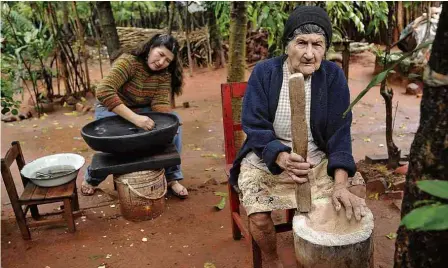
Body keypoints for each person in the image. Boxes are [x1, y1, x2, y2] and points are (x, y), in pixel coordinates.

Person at [228, 6, 367, 268]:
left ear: (325, 49)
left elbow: (340, 131)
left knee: (354, 191)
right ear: (287, 45)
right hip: (267, 157)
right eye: (301, 42)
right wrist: (279, 155)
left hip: (317, 159)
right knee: (258, 216)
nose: (309, 53)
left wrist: (340, 185)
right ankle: (271, 260)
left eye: (318, 44)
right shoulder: (265, 73)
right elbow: (253, 124)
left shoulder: (333, 76)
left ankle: (326, 251)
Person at [81, 34, 188, 199]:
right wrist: (135, 119)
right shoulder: (129, 62)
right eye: (160, 55)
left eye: (167, 60)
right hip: (111, 109)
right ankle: (93, 178)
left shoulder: (164, 75)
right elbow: (103, 91)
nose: (161, 63)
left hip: (142, 110)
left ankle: (172, 177)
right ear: (151, 47)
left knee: (174, 125)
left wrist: (168, 125)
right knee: (117, 141)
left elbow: (159, 105)